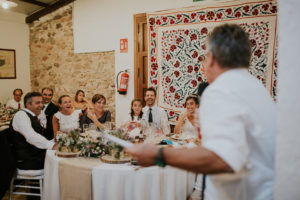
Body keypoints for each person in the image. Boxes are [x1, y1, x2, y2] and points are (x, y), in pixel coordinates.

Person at [126, 24, 276, 200]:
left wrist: (158, 155)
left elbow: (222, 159)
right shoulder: (259, 89)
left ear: (211, 58)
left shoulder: (220, 89)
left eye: (205, 57)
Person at [9, 92, 57, 170]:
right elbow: (31, 136)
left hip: (35, 154)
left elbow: (42, 133)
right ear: (28, 104)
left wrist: (56, 141)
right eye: (37, 103)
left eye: (42, 102)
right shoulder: (21, 115)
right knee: (60, 159)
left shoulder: (34, 115)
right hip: (27, 159)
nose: (41, 105)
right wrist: (52, 146)